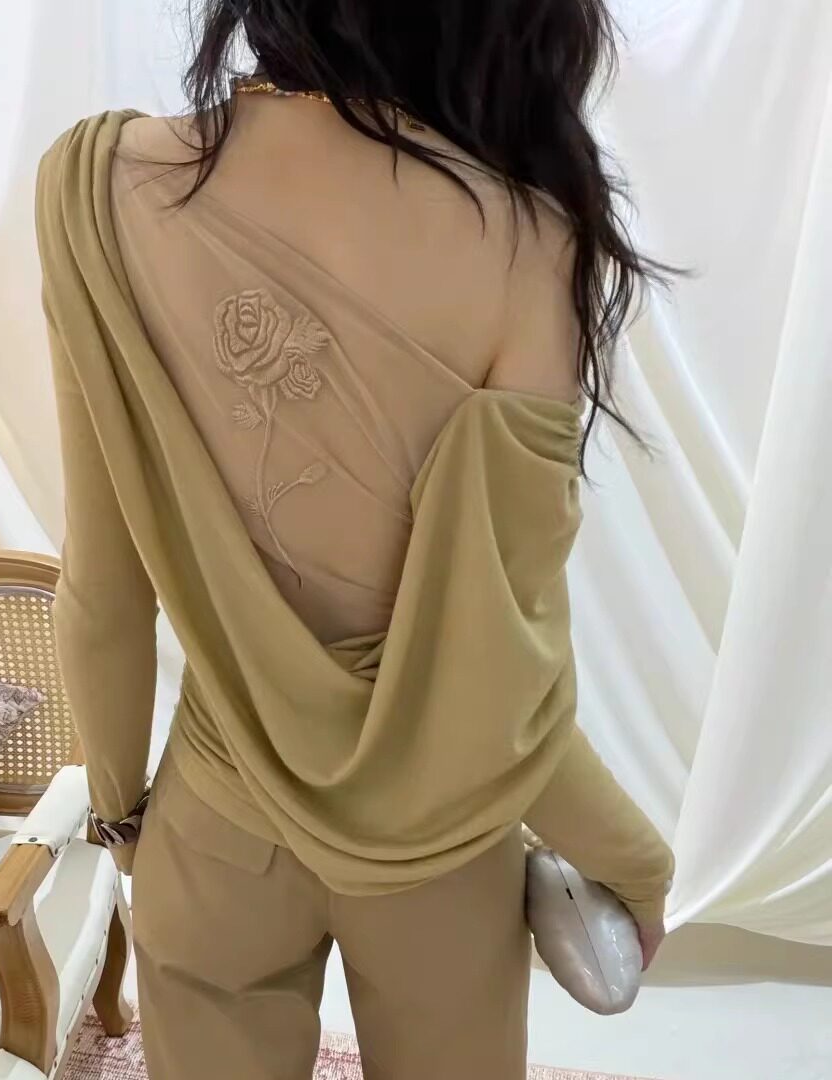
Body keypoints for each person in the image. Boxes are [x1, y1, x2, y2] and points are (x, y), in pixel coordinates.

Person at [36, 1, 676, 1077]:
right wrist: (635, 862)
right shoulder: (529, 235)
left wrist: (121, 815)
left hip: (216, 825)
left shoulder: (98, 187)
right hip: (440, 854)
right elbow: (495, 680)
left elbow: (102, 589)